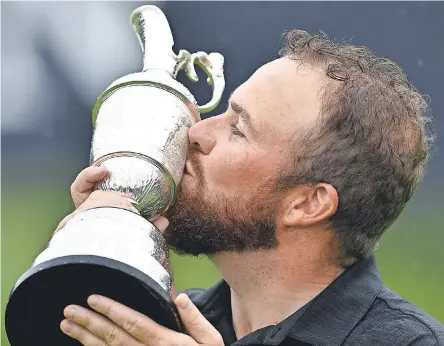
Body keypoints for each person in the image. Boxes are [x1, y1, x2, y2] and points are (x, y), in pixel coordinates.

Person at [56, 30, 443, 345]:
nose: (197, 132)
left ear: (308, 204)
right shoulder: (162, 327)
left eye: (238, 130)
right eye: (222, 111)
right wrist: (98, 259)